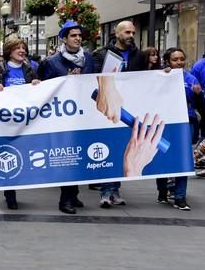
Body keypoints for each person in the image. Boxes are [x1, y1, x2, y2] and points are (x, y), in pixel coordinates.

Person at [42, 20, 95, 214]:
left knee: (80, 155)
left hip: (84, 114)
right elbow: (45, 87)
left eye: (80, 35)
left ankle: (74, 194)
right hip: (63, 116)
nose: (78, 38)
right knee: (68, 157)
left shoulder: (88, 59)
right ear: (64, 39)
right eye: (73, 35)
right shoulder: (52, 62)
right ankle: (65, 199)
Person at [92, 20, 145, 207]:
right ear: (117, 33)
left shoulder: (139, 55)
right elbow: (93, 77)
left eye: (133, 32)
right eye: (127, 32)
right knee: (109, 147)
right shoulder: (101, 54)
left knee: (121, 148)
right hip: (108, 107)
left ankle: (114, 191)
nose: (131, 35)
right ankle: (106, 192)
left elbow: (147, 77)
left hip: (129, 107)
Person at [0, 36, 40, 210]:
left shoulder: (29, 69)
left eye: (24, 48)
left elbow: (37, 91)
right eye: (18, 48)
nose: (22, 50)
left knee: (22, 153)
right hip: (4, 120)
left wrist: (37, 84)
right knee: (8, 154)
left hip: (23, 120)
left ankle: (15, 185)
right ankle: (10, 193)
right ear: (10, 51)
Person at [154, 48, 198, 210]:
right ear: (167, 62)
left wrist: (198, 95)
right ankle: (162, 191)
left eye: (181, 59)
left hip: (186, 124)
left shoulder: (191, 79)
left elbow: (200, 105)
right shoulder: (160, 77)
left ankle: (180, 197)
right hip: (164, 124)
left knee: (183, 160)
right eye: (175, 59)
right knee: (163, 157)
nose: (179, 62)